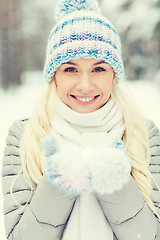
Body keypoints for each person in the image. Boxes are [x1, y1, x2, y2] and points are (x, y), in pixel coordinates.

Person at [2, 0, 160, 239]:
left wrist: (117, 186)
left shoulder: (143, 135)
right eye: (70, 69)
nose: (85, 86)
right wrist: (57, 185)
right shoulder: (25, 136)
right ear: (54, 75)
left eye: (98, 69)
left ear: (114, 75)